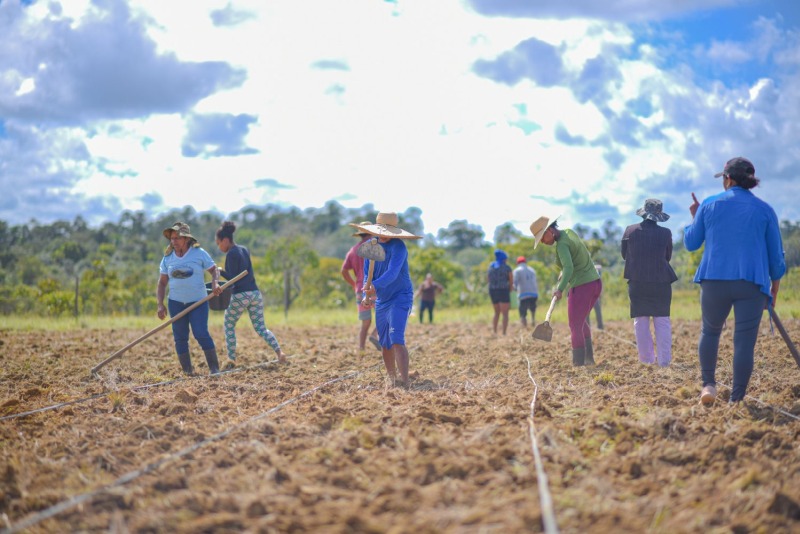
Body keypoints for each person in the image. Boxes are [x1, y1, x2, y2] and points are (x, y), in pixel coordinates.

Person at [684, 157, 785, 405]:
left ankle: (708, 385)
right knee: (744, 341)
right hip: (751, 283)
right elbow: (776, 259)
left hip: (713, 280)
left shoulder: (708, 205)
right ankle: (737, 399)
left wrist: (695, 217)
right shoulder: (765, 210)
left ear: (727, 179)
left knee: (710, 331)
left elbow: (691, 243)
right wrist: (774, 289)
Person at [350, 212, 420, 387]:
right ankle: (392, 379)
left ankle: (404, 381)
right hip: (382, 298)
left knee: (396, 337)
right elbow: (368, 272)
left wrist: (374, 286)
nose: (385, 235)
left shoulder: (399, 247)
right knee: (385, 342)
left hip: (400, 295)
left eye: (389, 232)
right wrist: (367, 293)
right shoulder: (369, 245)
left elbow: (393, 272)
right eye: (382, 231)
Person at [531, 215, 602, 366]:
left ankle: (578, 363)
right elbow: (578, 257)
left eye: (542, 238)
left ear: (549, 230)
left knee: (575, 325)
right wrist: (565, 271)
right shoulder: (570, 232)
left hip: (582, 285)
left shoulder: (561, 245)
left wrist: (560, 289)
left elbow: (569, 267)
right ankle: (588, 360)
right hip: (595, 282)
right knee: (581, 322)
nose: (543, 242)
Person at [215, 221, 287, 368]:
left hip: (241, 295)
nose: (219, 246)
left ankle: (231, 359)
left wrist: (219, 271)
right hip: (255, 293)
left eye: (218, 243)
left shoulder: (231, 254)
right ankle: (280, 353)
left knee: (228, 324)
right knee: (261, 328)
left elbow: (233, 279)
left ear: (226, 240)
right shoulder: (244, 249)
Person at [157, 222, 222, 375]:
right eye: (172, 238)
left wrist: (215, 283)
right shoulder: (167, 259)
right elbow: (162, 283)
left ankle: (214, 368)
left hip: (198, 302)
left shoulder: (199, 253)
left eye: (178, 238)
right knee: (180, 337)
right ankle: (188, 372)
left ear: (186, 239)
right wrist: (160, 304)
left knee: (200, 332)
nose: (174, 241)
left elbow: (215, 271)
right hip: (176, 303)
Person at [621, 199, 678, 367]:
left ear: (644, 213)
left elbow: (625, 255)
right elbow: (668, 256)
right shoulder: (666, 233)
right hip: (661, 282)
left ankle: (646, 361)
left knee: (641, 321)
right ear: (659, 215)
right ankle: (664, 362)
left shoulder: (629, 231)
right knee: (662, 321)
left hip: (637, 282)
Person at [341, 223, 381, 350]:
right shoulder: (375, 248)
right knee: (384, 315)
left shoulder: (353, 250)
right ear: (371, 233)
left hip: (360, 289)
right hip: (375, 287)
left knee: (365, 322)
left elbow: (344, 270)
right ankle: (375, 335)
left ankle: (361, 349)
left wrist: (354, 284)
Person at [488, 249, 513, 335]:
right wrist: (510, 290)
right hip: (503, 291)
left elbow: (488, 279)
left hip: (492, 291)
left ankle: (494, 331)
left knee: (496, 312)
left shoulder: (491, 267)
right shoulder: (507, 267)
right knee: (505, 313)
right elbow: (511, 280)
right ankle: (504, 333)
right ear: (504, 258)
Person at [512, 256, 538, 327]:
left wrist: (513, 289)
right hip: (534, 293)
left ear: (517, 263)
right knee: (532, 308)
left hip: (523, 294)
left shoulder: (517, 271)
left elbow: (515, 282)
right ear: (525, 262)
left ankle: (524, 326)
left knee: (523, 311)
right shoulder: (532, 270)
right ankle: (533, 320)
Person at [591, 264, 605, 330]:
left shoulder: (592, 276)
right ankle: (600, 326)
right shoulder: (597, 277)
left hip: (594, 297)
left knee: (588, 313)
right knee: (597, 311)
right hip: (594, 297)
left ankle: (599, 326)